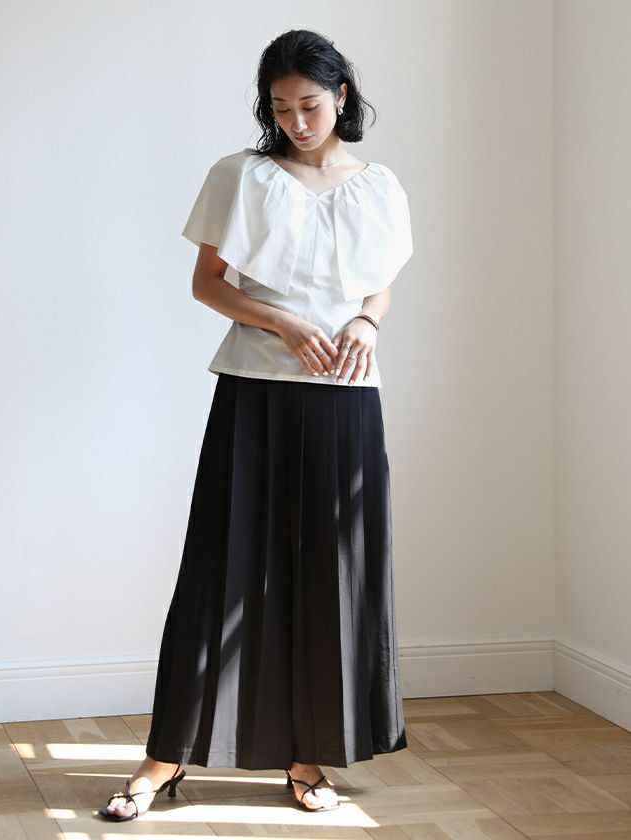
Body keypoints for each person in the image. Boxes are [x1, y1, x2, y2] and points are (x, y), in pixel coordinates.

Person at [99, 27, 413, 822]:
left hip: (348, 397)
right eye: (280, 107)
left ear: (341, 96)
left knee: (331, 577)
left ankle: (308, 758)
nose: (297, 121)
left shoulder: (380, 186)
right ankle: (166, 755)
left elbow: (377, 287)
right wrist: (280, 322)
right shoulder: (240, 175)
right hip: (256, 389)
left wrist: (367, 323)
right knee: (223, 568)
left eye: (310, 105)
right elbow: (207, 283)